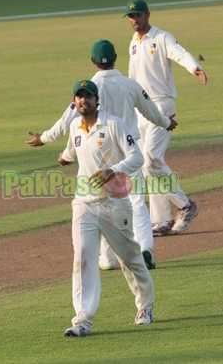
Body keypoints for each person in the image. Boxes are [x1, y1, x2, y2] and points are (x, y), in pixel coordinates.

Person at [26, 40, 177, 270]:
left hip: (99, 154)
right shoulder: (130, 84)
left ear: (92, 61)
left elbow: (67, 119)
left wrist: (44, 138)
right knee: (136, 203)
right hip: (128, 153)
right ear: (115, 57)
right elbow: (151, 112)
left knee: (103, 205)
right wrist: (166, 122)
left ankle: (107, 259)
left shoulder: (88, 89)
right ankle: (145, 249)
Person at [58, 79, 154, 337]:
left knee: (129, 258)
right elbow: (70, 151)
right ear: (74, 101)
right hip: (84, 204)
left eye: (88, 96)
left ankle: (145, 305)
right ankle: (83, 319)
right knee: (83, 259)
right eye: (79, 97)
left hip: (114, 204)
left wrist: (113, 170)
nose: (83, 101)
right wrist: (64, 158)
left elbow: (137, 157)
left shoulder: (113, 124)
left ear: (96, 100)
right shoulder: (75, 129)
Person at [125, 0, 208, 236]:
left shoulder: (161, 37)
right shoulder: (134, 42)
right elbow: (133, 78)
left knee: (151, 159)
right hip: (141, 109)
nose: (134, 20)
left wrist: (195, 68)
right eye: (131, 17)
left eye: (138, 15)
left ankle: (186, 205)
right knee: (146, 164)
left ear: (148, 15)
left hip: (162, 105)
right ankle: (161, 220)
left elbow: (179, 53)